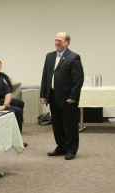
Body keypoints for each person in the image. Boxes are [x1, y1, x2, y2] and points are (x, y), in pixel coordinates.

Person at [40, 31, 84, 160]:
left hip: (68, 98)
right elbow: (45, 76)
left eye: (59, 40)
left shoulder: (74, 57)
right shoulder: (49, 56)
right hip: (53, 96)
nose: (56, 43)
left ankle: (71, 150)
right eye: (55, 40)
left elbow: (78, 79)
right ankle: (61, 147)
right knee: (57, 124)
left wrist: (73, 97)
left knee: (69, 125)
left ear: (67, 42)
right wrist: (43, 94)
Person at [0, 60, 27, 147]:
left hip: (0, 105)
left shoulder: (0, 79)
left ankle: (16, 140)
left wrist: (5, 105)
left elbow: (8, 93)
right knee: (17, 110)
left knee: (18, 111)